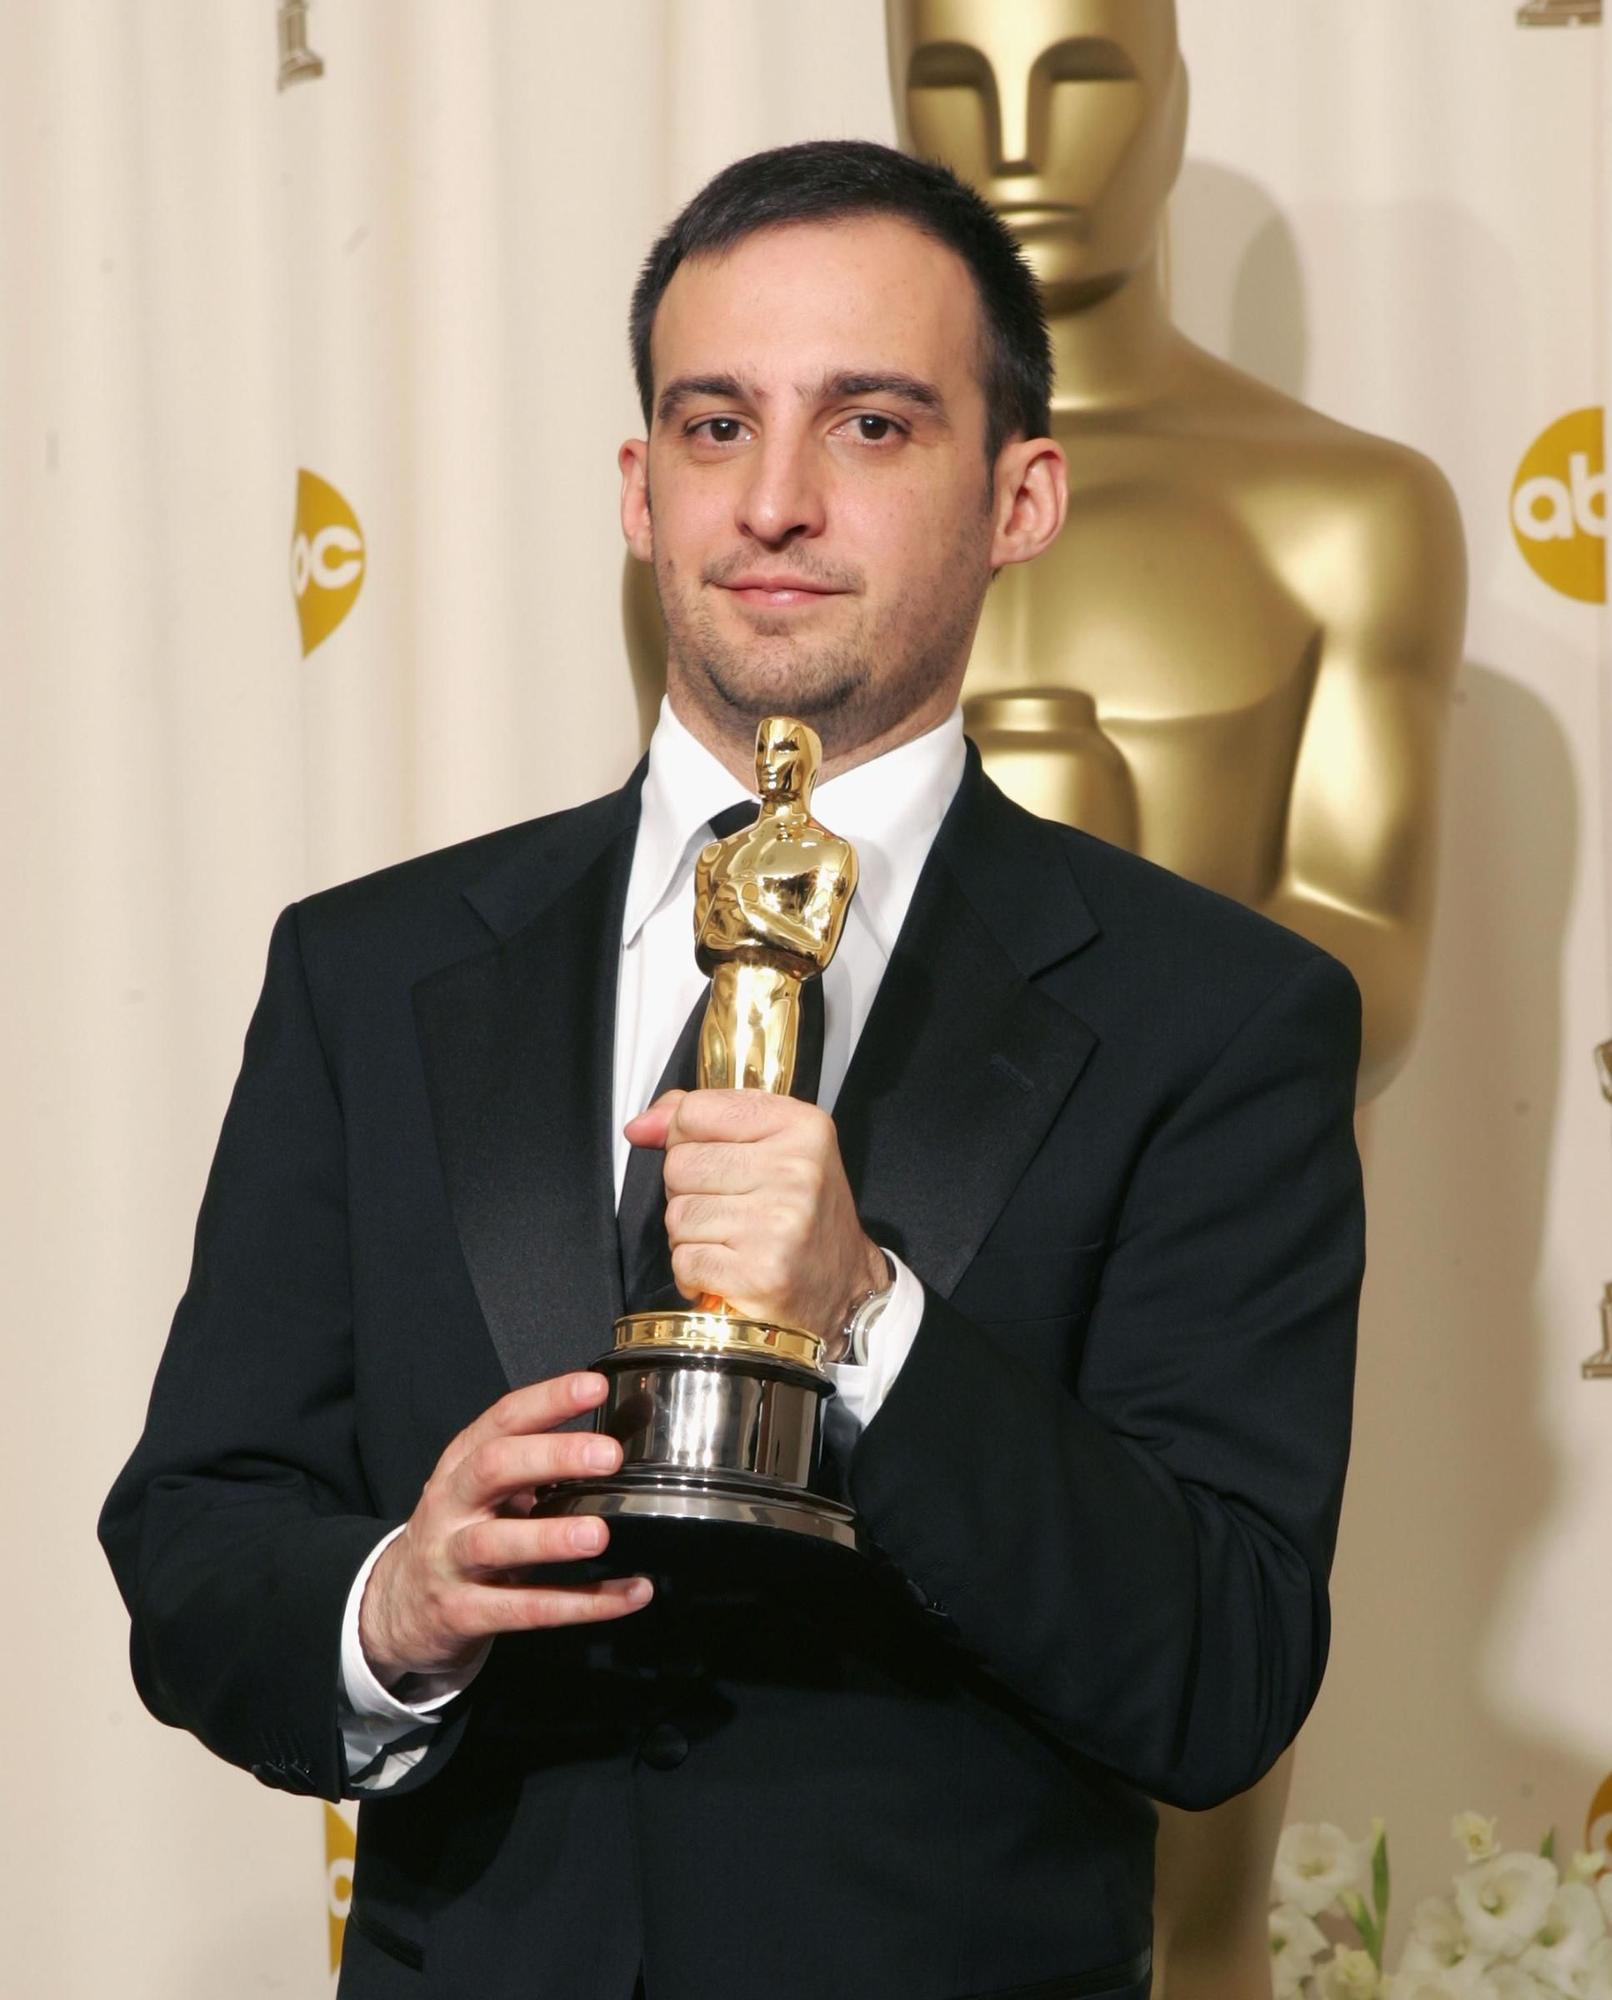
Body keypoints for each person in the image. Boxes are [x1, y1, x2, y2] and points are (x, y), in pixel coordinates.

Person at [100, 140, 1365, 2000]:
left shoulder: (1217, 1016)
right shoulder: (368, 972)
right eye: (715, 426)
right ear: (641, 487)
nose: (775, 501)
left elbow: (1224, 1673)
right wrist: (395, 1600)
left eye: (871, 425)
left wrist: (869, 1318)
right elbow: (198, 1539)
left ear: (1021, 497)